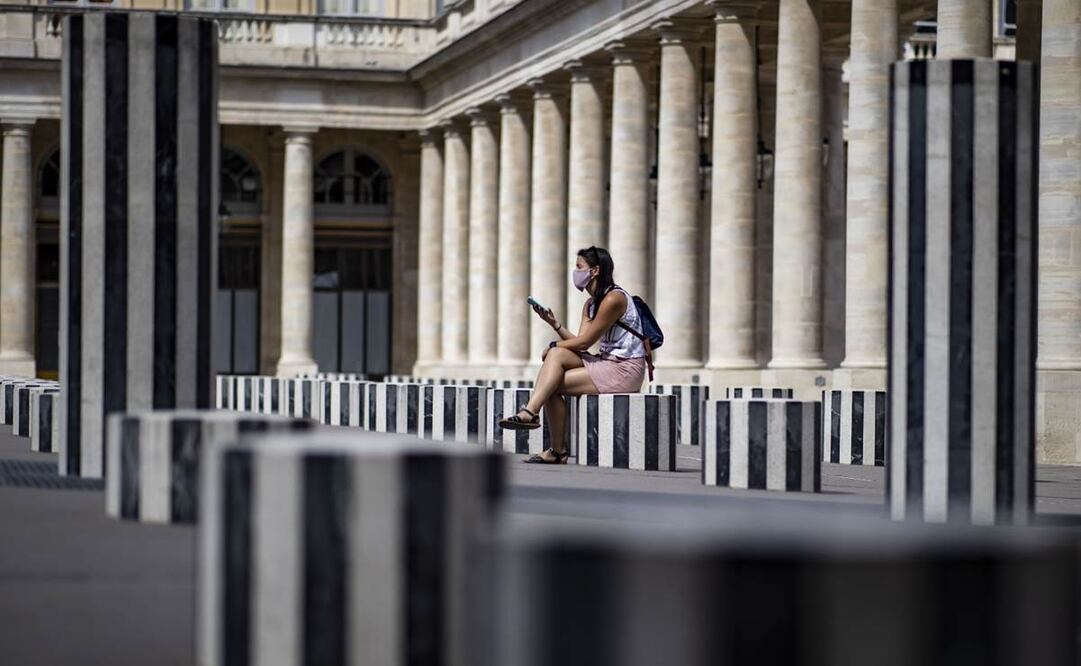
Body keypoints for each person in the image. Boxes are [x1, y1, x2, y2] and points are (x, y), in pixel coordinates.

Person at [499, 246, 647, 464]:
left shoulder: (614, 299)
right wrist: (554, 324)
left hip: (624, 369)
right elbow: (580, 343)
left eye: (579, 267)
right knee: (555, 361)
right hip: (605, 362)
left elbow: (585, 342)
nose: (575, 273)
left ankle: (546, 435)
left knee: (551, 380)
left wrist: (553, 345)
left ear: (595, 271)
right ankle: (541, 428)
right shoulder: (591, 304)